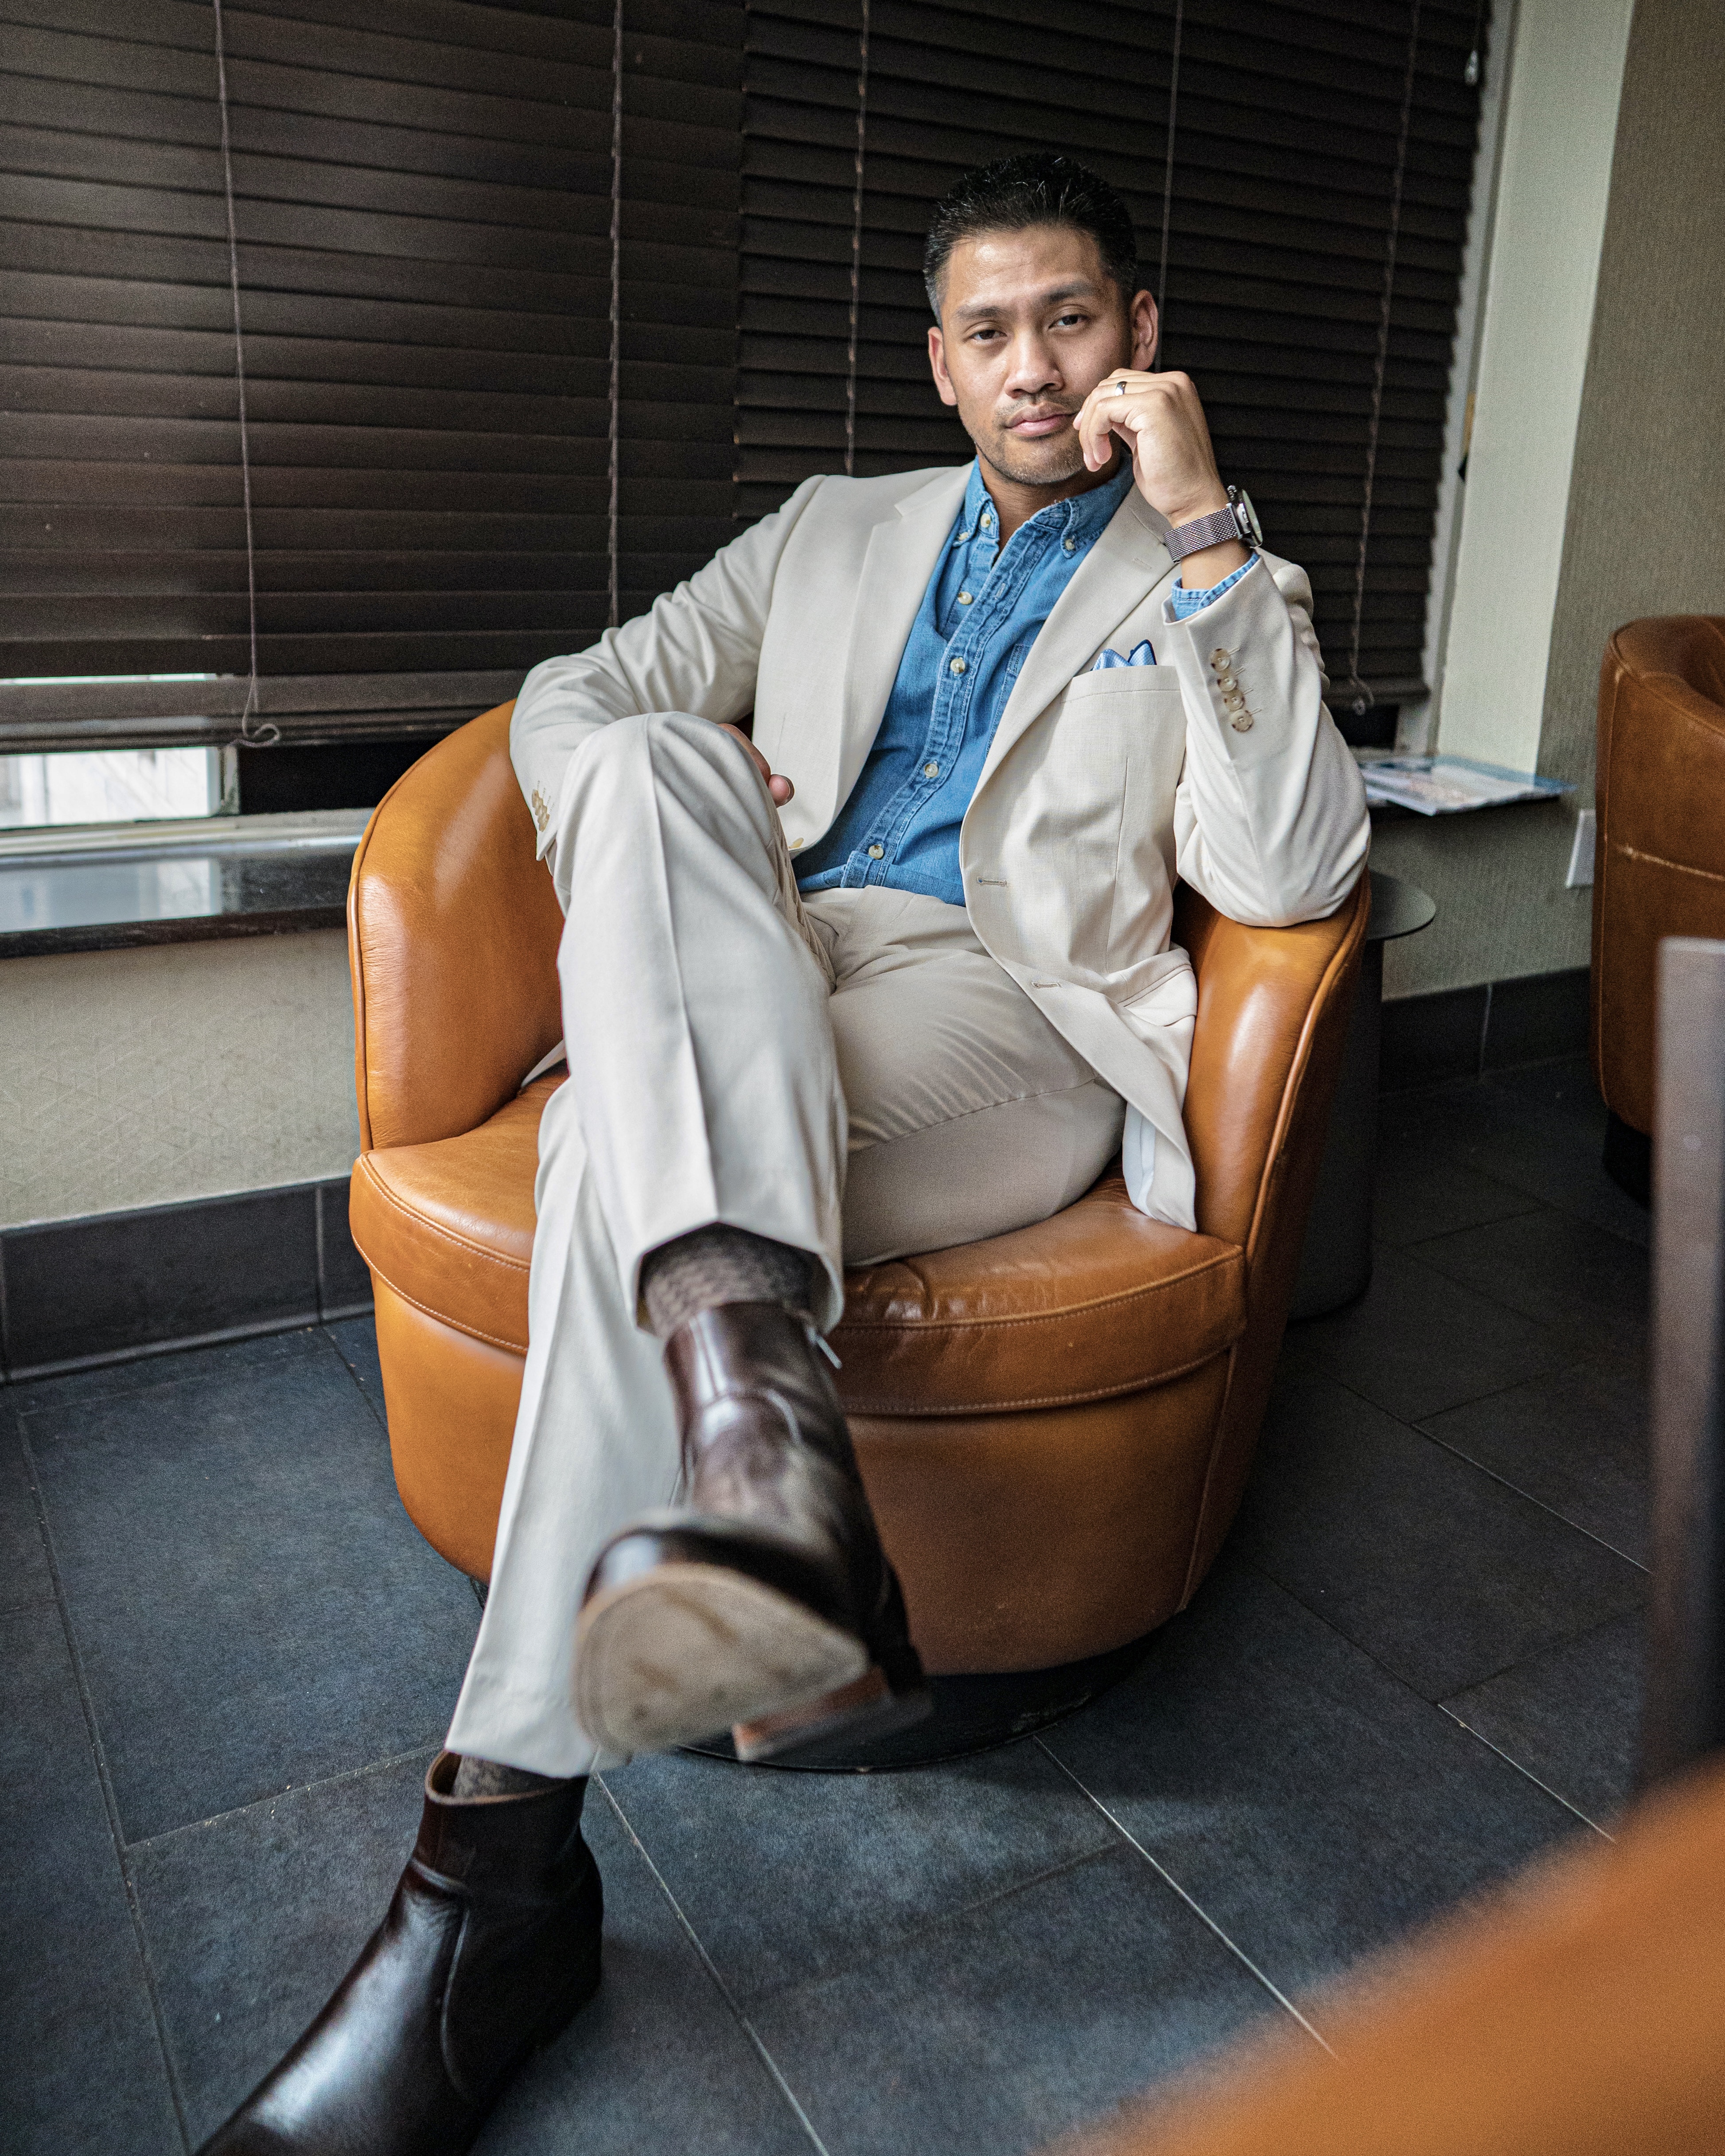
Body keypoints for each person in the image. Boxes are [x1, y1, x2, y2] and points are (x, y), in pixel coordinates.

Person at [203, 152, 1368, 2155]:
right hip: (764, 956)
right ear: (938, 361)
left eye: (1070, 320)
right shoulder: (830, 530)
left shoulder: (1211, 576)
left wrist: (1200, 536)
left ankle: (490, 1888)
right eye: (990, 330)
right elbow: (577, 696)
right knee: (649, 753)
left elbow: (1290, 865)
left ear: (1138, 338)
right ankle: (758, 1463)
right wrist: (672, 795)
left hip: (1001, 1015)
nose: (1032, 365)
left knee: (605, 1157)